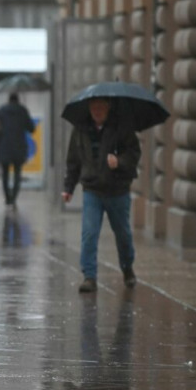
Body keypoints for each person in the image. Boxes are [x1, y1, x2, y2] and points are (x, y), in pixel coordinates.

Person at [61, 97, 140, 293]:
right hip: (92, 190)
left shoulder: (121, 127)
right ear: (89, 108)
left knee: (123, 234)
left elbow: (134, 154)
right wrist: (68, 188)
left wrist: (119, 161)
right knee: (89, 233)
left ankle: (127, 267)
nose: (96, 111)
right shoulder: (80, 130)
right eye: (93, 107)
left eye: (100, 107)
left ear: (107, 108)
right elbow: (73, 161)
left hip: (118, 190)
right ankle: (89, 276)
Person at [0, 93, 35, 209]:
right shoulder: (22, 111)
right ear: (18, 100)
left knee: (5, 174)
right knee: (17, 174)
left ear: (8, 100)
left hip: (4, 148)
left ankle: (7, 199)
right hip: (19, 148)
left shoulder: (1, 111)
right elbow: (31, 128)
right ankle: (14, 199)